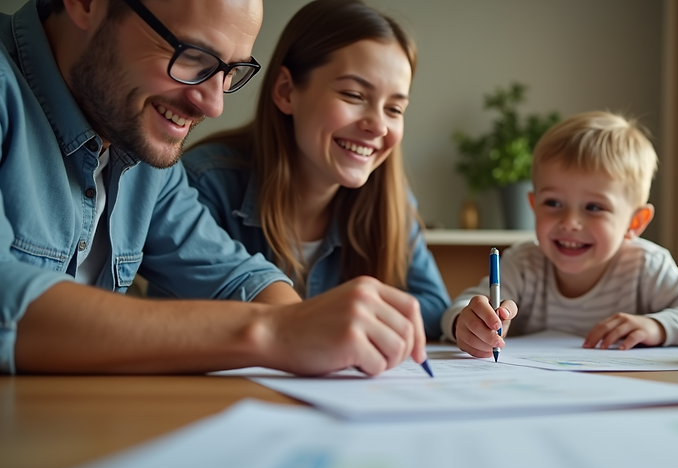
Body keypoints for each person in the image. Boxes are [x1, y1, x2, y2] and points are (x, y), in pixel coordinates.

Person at [0, 0, 427, 376]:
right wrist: (274, 333)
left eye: (229, 72)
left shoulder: (142, 143)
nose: (213, 104)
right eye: (192, 56)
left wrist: (310, 324)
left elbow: (232, 274)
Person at [177, 0, 449, 340]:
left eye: (395, 108)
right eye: (353, 94)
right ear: (286, 91)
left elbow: (435, 306)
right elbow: (185, 316)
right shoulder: (204, 183)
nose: (378, 126)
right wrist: (334, 320)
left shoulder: (391, 199)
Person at [443, 111, 678, 358]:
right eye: (553, 203)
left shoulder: (646, 265)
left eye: (594, 207)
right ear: (533, 206)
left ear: (635, 222)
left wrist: (657, 326)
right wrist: (466, 323)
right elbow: (463, 306)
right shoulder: (524, 263)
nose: (570, 222)